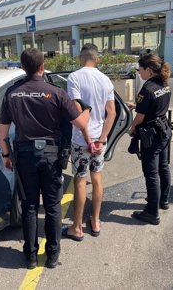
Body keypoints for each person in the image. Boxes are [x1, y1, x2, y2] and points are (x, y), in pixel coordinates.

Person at [0, 48, 90, 270]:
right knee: (52, 206)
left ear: (23, 67)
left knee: (29, 206)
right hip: (51, 156)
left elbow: (2, 134)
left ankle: (30, 257)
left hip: (24, 157)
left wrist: (6, 156)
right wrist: (87, 109)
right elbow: (80, 123)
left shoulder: (12, 93)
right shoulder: (56, 93)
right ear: (42, 67)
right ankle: (52, 256)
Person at [62, 43, 116, 241]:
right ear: (97, 59)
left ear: (80, 58)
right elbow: (112, 113)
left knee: (80, 181)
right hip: (99, 140)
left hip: (80, 140)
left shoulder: (74, 77)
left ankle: (76, 227)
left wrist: (87, 138)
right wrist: (100, 140)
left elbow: (77, 112)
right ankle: (95, 221)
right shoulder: (105, 80)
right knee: (97, 179)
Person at [128, 53, 172, 225]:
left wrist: (132, 128)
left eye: (140, 69)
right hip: (165, 130)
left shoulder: (147, 88)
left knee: (151, 174)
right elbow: (155, 105)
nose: (139, 72)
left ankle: (152, 213)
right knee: (163, 167)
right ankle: (164, 200)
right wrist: (137, 105)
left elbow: (140, 117)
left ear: (149, 69)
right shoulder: (164, 84)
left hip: (152, 136)